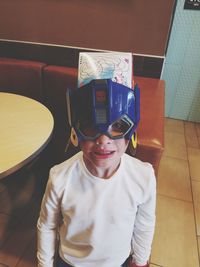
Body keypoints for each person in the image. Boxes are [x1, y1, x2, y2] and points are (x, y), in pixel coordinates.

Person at [37, 79, 156, 267]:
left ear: (131, 134)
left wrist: (140, 261)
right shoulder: (60, 177)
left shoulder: (144, 176)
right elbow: (47, 225)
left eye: (118, 126)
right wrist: (44, 264)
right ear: (76, 133)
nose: (103, 140)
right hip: (71, 262)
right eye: (90, 126)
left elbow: (145, 223)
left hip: (119, 262)